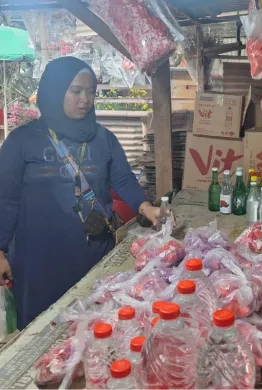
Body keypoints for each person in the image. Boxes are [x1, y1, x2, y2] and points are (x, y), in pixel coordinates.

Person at [0, 57, 163, 329]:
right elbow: (6, 198)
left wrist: (147, 208)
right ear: (54, 90)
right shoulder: (22, 142)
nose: (85, 99)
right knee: (43, 334)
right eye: (76, 91)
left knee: (96, 326)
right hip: (39, 261)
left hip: (93, 253)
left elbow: (122, 178)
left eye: (91, 92)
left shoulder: (103, 138)